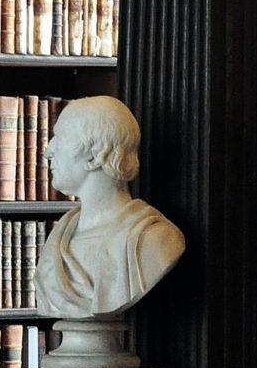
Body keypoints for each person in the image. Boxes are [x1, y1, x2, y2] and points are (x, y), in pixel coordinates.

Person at [32, 97, 185, 321]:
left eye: (60, 138)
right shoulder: (59, 238)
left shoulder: (155, 240)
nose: (48, 151)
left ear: (95, 154)